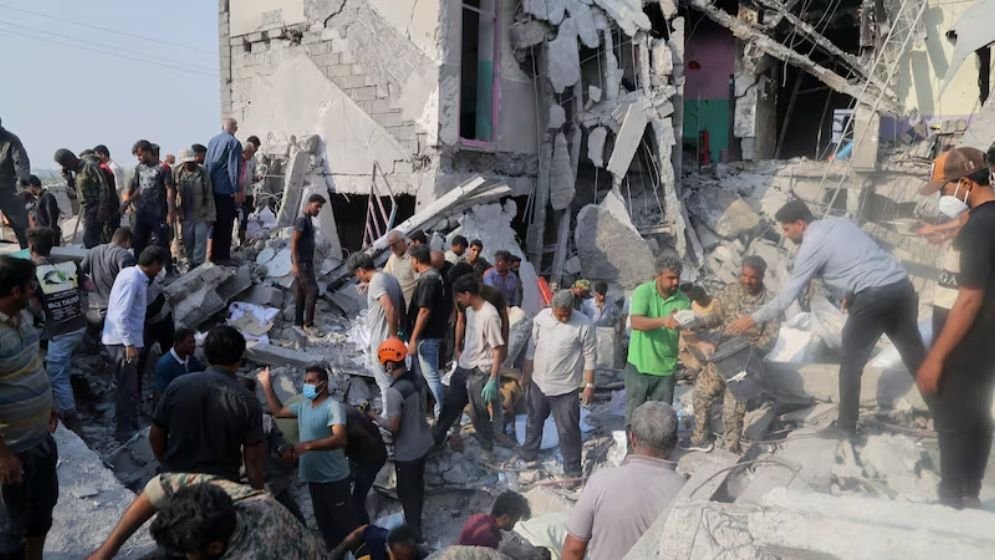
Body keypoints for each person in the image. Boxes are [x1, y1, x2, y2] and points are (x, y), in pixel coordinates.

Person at [728, 199, 927, 437]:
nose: (785, 235)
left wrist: (751, 319)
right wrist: (851, 293)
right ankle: (943, 410)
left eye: (787, 229)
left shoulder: (811, 245)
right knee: (916, 357)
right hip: (901, 287)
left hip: (874, 298)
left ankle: (846, 427)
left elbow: (787, 296)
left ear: (800, 224)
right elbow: (862, 260)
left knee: (850, 364)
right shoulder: (840, 224)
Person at [914, 146, 995, 509]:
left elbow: (969, 299)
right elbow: (968, 223)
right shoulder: (984, 218)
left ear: (965, 183)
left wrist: (935, 357)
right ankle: (969, 493)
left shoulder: (978, 230)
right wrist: (943, 231)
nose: (943, 195)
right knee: (976, 414)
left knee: (951, 419)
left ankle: (951, 499)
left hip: (965, 340)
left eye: (945, 188)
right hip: (985, 341)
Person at [86, 474, 325, 560]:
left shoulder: (250, 554)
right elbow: (156, 489)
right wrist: (106, 551)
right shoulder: (231, 496)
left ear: (215, 547)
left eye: (189, 553)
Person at [561, 402, 685, 560]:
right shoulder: (685, 493)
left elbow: (573, 550)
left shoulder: (600, 482)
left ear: (632, 438)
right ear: (675, 442)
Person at [684, 256, 779, 454]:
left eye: (753, 277)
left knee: (732, 411)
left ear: (762, 277)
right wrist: (698, 323)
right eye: (744, 275)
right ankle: (700, 437)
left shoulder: (771, 303)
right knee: (701, 394)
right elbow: (716, 316)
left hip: (745, 364)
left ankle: (732, 448)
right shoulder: (731, 291)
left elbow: (771, 338)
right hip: (722, 356)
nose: (747, 281)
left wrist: (749, 354)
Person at [151, 325, 264, 491]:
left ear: (206, 354)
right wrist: (258, 492)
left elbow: (155, 435)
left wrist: (168, 465)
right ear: (239, 359)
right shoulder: (248, 401)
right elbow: (253, 460)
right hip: (221, 489)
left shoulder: (177, 386)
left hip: (176, 482)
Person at [257, 364, 358, 548]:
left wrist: (308, 446)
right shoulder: (304, 406)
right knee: (326, 527)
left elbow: (340, 439)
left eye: (311, 381)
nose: (307, 386)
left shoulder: (333, 407)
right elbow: (278, 411)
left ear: (323, 384)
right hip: (314, 479)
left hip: (334, 480)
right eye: (305, 382)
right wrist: (267, 385)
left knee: (347, 527)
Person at [0, 256, 59, 560]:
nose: (35, 289)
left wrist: (49, 403)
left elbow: (32, 362)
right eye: (30, 285)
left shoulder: (21, 316)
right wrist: (4, 456)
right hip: (13, 451)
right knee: (10, 529)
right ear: (15, 291)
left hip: (39, 441)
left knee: (40, 516)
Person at [519, 290, 596, 477]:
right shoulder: (542, 319)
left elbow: (590, 357)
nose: (563, 318)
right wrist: (526, 375)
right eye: (560, 314)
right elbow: (531, 348)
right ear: (552, 308)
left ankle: (572, 471)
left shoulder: (584, 325)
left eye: (567, 314)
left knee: (568, 430)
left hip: (565, 389)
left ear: (572, 308)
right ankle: (529, 456)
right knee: (533, 421)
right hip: (539, 383)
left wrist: (589, 385)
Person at [369, 339, 434, 541]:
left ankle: (415, 534)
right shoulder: (418, 379)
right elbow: (429, 405)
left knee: (406, 493)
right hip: (424, 442)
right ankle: (417, 524)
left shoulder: (394, 391)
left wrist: (375, 417)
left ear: (389, 364)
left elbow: (394, 426)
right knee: (418, 487)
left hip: (408, 452)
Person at [102, 246, 169, 440]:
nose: (160, 271)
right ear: (154, 264)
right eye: (160, 266)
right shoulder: (133, 280)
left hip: (123, 340)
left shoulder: (132, 275)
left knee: (128, 385)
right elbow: (121, 315)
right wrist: (129, 344)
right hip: (121, 342)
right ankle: (124, 431)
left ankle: (130, 422)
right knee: (127, 387)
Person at [27, 228, 90, 435]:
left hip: (61, 331)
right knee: (65, 368)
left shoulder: (33, 272)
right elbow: (89, 285)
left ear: (31, 247)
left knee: (57, 376)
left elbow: (35, 308)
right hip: (79, 324)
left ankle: (72, 420)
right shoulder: (67, 264)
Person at [439, 276, 506, 457]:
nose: (458, 300)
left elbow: (498, 349)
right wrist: (459, 351)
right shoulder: (470, 310)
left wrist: (493, 379)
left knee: (478, 413)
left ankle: (487, 447)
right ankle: (437, 440)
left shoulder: (490, 315)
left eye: (459, 296)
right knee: (450, 405)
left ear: (467, 294)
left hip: (480, 370)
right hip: (464, 365)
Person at [624, 256, 691, 421]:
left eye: (678, 278)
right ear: (658, 276)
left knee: (661, 420)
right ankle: (632, 440)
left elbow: (688, 332)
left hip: (665, 370)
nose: (675, 282)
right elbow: (636, 322)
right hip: (639, 367)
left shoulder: (683, 300)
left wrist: (701, 343)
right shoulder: (644, 292)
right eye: (670, 278)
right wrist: (663, 321)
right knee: (635, 417)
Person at [349, 252, 406, 403]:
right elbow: (401, 305)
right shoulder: (389, 278)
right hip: (394, 340)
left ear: (360, 270)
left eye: (356, 274)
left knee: (385, 382)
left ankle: (390, 413)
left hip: (383, 342)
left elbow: (389, 307)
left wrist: (393, 337)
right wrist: (400, 332)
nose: (358, 277)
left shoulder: (376, 282)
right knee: (397, 379)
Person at [406, 245, 450, 417]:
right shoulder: (434, 277)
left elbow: (424, 311)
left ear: (417, 260)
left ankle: (441, 414)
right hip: (431, 335)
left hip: (428, 336)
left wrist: (413, 338)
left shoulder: (429, 280)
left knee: (431, 376)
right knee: (427, 376)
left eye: (411, 260)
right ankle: (433, 410)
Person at [124, 139, 176, 259]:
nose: (139, 158)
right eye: (137, 156)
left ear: (148, 152)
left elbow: (169, 189)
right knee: (138, 242)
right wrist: (127, 202)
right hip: (142, 212)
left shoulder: (163, 168)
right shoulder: (139, 168)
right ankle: (140, 266)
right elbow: (140, 189)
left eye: (140, 155)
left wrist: (171, 211)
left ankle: (167, 266)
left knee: (162, 242)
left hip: (158, 212)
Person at [54, 148, 111, 248]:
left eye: (63, 164)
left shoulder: (89, 167)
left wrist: (102, 208)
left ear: (69, 160)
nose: (63, 167)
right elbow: (78, 191)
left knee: (90, 240)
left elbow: (103, 187)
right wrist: (69, 179)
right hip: (86, 209)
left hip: (95, 207)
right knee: (93, 240)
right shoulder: (77, 172)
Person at [206, 118, 244, 264]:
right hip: (225, 189)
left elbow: (207, 164)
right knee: (226, 224)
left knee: (215, 224)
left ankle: (213, 256)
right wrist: (237, 190)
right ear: (236, 128)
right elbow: (233, 169)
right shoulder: (234, 143)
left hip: (212, 189)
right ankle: (223, 257)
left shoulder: (212, 141)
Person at [81, 227, 135, 326]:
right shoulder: (124, 255)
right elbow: (130, 283)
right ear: (128, 241)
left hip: (93, 309)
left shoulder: (93, 251)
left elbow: (79, 273)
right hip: (115, 311)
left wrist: (87, 290)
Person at [344, 402, 387, 524]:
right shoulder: (344, 412)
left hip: (368, 460)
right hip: (369, 457)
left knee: (357, 501)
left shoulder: (353, 429)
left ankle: (364, 529)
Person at [174, 148, 215, 269]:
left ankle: (197, 264)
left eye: (191, 162)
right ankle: (191, 262)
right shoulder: (177, 172)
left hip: (201, 213)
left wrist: (211, 215)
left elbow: (209, 195)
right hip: (185, 214)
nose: (190, 164)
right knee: (188, 241)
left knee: (200, 240)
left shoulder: (203, 172)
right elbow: (172, 191)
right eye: (187, 162)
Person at [292, 194, 326, 336]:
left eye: (320, 207)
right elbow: (294, 243)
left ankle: (298, 323)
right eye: (316, 206)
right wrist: (295, 264)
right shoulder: (302, 220)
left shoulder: (308, 219)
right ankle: (308, 325)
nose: (318, 210)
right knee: (313, 291)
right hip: (302, 263)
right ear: (309, 203)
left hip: (306, 262)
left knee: (301, 293)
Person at [458, 491, 532, 549]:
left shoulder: (477, 518)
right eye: (515, 520)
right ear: (505, 518)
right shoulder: (490, 538)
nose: (514, 525)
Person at [0, 118, 30, 248]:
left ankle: (28, 254)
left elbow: (20, 162)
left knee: (21, 226)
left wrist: (23, 183)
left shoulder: (11, 140)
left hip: (9, 189)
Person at [153, 328, 204, 402]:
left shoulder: (190, 358)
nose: (194, 345)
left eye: (194, 342)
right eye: (190, 342)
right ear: (179, 343)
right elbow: (162, 395)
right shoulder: (165, 365)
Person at [331, 523, 424, 560]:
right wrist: (341, 548)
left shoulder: (421, 555)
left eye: (407, 555)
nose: (404, 558)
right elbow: (363, 530)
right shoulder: (378, 538)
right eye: (398, 554)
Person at [384, 230, 419, 309]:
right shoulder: (392, 258)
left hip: (413, 306)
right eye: (390, 246)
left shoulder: (413, 258)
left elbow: (420, 283)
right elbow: (385, 276)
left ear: (403, 241)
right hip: (399, 307)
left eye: (394, 244)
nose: (392, 248)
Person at [22, 176, 61, 243]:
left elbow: (52, 219)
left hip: (49, 238)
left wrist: (51, 238)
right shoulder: (40, 198)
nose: (27, 191)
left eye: (26, 188)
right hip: (43, 236)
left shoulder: (47, 197)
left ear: (31, 185)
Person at [238, 140, 259, 245]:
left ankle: (245, 238)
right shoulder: (237, 162)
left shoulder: (250, 161)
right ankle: (240, 239)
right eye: (250, 153)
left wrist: (256, 178)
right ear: (244, 152)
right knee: (242, 215)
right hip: (239, 195)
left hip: (248, 193)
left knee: (247, 215)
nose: (252, 155)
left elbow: (250, 176)